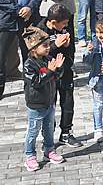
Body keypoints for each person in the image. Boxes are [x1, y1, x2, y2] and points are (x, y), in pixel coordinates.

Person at [0, 0, 45, 100]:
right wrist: (19, 9)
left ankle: (31, 87)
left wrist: (30, 7)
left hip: (28, 19)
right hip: (6, 21)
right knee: (1, 56)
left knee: (31, 54)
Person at [36, 4, 81, 147]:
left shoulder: (66, 29)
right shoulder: (39, 30)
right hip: (48, 74)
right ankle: (48, 136)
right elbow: (37, 55)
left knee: (68, 103)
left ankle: (66, 132)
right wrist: (54, 45)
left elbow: (72, 50)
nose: (66, 25)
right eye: (64, 23)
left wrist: (67, 47)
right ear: (53, 22)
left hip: (65, 72)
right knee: (50, 106)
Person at [22, 26, 66, 172]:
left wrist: (58, 69)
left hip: (49, 102)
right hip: (36, 105)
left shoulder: (48, 59)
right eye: (45, 45)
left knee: (48, 129)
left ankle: (49, 150)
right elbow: (36, 82)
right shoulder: (29, 65)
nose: (48, 48)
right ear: (34, 48)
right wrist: (50, 70)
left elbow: (55, 76)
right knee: (33, 131)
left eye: (48, 45)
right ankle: (30, 155)